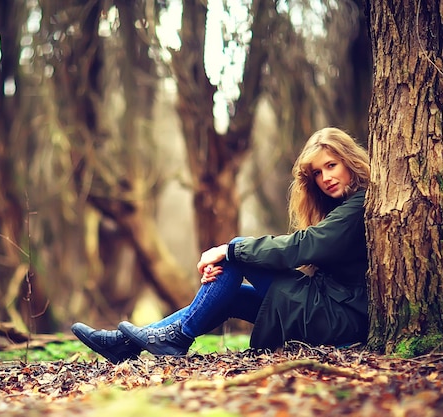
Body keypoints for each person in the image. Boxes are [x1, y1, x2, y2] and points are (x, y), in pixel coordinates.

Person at [71, 127, 371, 363]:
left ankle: (176, 336)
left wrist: (228, 251)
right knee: (232, 294)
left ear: (350, 161)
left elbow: (301, 247)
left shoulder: (359, 204)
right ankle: (128, 345)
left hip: (339, 319)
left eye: (332, 165)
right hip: (328, 310)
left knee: (238, 249)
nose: (325, 178)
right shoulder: (341, 207)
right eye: (317, 172)